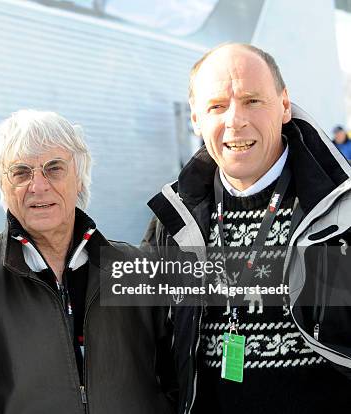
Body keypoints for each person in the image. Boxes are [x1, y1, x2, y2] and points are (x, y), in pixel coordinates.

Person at [145, 43, 351, 413]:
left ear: (284, 105)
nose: (235, 120)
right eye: (217, 106)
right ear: (196, 118)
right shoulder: (173, 221)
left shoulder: (341, 213)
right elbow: (147, 341)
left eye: (252, 100)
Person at [0, 110, 175, 414]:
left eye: (54, 169)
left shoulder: (138, 271)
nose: (38, 185)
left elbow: (178, 376)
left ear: (79, 179)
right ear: (2, 185)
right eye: (20, 172)